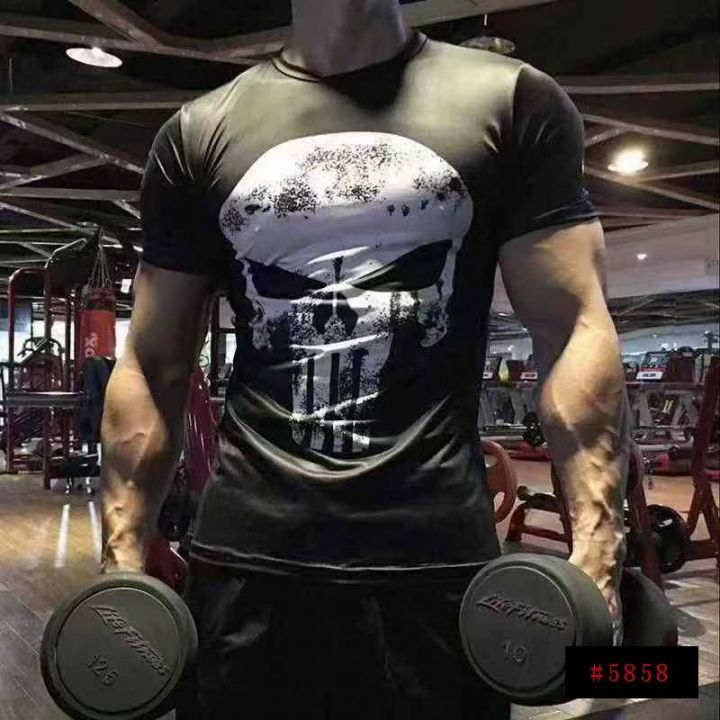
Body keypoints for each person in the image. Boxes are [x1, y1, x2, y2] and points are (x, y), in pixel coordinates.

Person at [100, 0, 630, 718]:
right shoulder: (197, 132)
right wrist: (123, 556)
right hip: (246, 566)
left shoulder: (511, 101)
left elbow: (571, 328)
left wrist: (597, 554)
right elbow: (151, 361)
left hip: (436, 567)